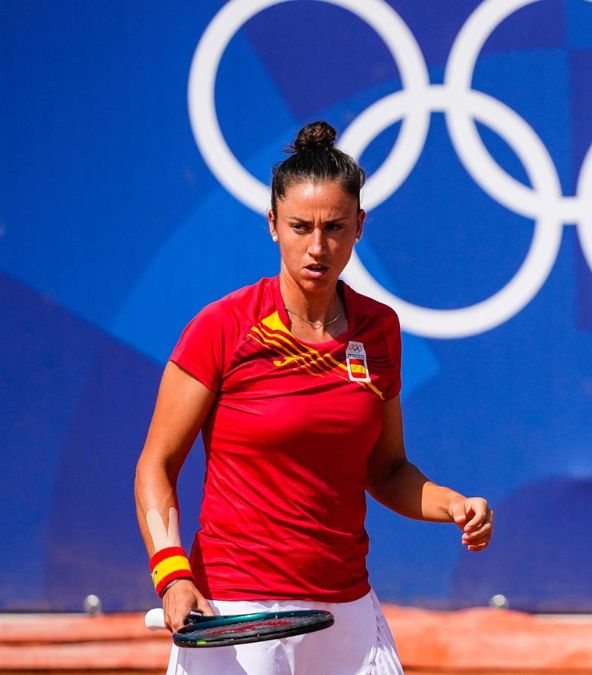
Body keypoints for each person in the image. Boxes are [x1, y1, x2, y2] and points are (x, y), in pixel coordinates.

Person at [134, 120, 493, 674]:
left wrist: (452, 505)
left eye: (335, 227)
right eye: (301, 227)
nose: (318, 246)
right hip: (235, 610)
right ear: (273, 225)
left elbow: (388, 468)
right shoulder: (221, 327)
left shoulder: (380, 329)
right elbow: (156, 465)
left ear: (359, 229)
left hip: (345, 612)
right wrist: (174, 574)